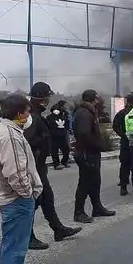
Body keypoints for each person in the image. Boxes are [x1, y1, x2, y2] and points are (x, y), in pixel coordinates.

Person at [0, 93, 41, 264]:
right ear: (19, 113)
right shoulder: (10, 135)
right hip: (16, 200)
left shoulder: (3, 130)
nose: (29, 116)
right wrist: (27, 193)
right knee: (15, 248)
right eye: (27, 112)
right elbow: (16, 172)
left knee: (11, 245)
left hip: (11, 199)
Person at [24, 82, 81, 248]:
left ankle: (58, 229)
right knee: (33, 203)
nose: (49, 99)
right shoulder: (32, 117)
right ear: (42, 97)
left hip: (40, 167)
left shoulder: (36, 114)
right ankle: (28, 237)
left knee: (47, 199)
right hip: (34, 168)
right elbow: (27, 142)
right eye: (48, 96)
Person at [72, 89, 117, 222]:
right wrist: (97, 145)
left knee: (95, 181)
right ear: (93, 99)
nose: (98, 100)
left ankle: (97, 208)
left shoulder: (89, 111)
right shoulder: (84, 113)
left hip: (91, 152)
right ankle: (79, 212)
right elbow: (84, 134)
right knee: (85, 182)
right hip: (86, 152)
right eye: (97, 98)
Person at [112, 93, 133, 196]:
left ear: (127, 101)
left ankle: (123, 187)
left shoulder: (121, 113)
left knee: (125, 165)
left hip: (126, 142)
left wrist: (123, 135)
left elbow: (115, 126)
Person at [47, 100, 71, 169]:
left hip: (62, 136)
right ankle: (56, 164)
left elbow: (67, 124)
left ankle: (64, 162)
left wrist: (67, 131)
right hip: (53, 137)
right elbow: (47, 126)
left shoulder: (63, 116)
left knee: (66, 150)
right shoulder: (49, 117)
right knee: (54, 151)